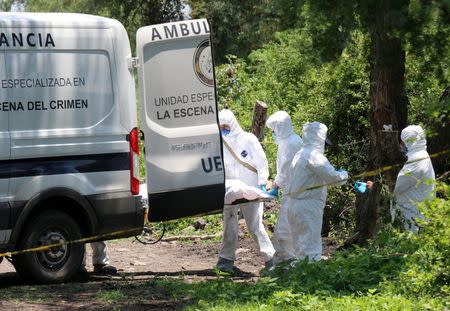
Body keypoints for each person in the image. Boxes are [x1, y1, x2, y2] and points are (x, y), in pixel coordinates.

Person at [216, 109, 275, 273]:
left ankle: (271, 260)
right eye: (220, 126)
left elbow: (262, 162)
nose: (223, 129)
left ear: (233, 123)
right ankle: (225, 262)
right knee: (229, 224)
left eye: (226, 126)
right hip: (230, 191)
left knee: (255, 225)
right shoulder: (219, 142)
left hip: (250, 190)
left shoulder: (248, 139)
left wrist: (262, 183)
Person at [286, 121, 348, 262]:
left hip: (294, 205)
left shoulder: (300, 154)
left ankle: (297, 278)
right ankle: (310, 281)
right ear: (319, 138)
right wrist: (344, 174)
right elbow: (334, 178)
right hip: (307, 207)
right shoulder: (314, 156)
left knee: (300, 248)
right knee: (310, 249)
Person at [265, 111, 304, 265]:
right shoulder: (291, 140)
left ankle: (284, 264)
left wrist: (274, 186)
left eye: (273, 130)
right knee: (287, 230)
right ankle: (284, 261)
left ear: (279, 128)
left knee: (284, 231)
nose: (272, 134)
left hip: (294, 192)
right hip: (294, 191)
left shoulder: (290, 143)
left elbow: (285, 170)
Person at [393, 125, 435, 233]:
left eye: (403, 142)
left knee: (411, 246)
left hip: (412, 216)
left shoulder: (416, 161)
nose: (401, 145)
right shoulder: (420, 156)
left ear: (410, 141)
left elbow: (396, 187)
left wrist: (375, 186)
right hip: (415, 212)